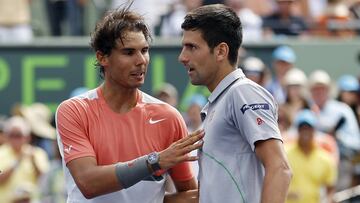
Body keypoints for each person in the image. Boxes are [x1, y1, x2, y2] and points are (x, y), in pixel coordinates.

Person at [56, 3, 204, 203]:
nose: (141, 60)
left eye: (144, 50)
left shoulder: (169, 117)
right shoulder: (74, 110)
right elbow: (88, 183)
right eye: (129, 52)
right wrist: (155, 161)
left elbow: (189, 195)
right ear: (102, 57)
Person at [178, 4, 292, 203]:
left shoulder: (242, 92)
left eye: (192, 47)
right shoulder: (220, 102)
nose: (182, 57)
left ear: (221, 51)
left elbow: (280, 168)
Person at [286, 110, 337, 203]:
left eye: (308, 128)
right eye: (302, 128)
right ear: (298, 130)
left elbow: (330, 188)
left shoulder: (325, 158)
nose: (305, 132)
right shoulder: (285, 154)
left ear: (314, 131)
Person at [0, 116, 50, 203]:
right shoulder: (1, 152)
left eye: (19, 135)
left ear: (27, 137)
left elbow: (45, 180)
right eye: (12, 135)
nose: (15, 139)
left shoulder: (37, 153)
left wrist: (34, 161)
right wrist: (18, 161)